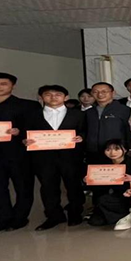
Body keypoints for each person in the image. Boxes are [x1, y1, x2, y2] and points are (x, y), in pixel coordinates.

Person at [0, 72, 40, 234]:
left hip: (20, 155)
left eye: (3, 84)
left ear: (13, 86)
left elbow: (37, 129)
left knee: (24, 188)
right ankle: (3, 219)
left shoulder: (29, 106)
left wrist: (20, 132)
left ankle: (20, 218)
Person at [23, 85, 86, 230]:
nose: (53, 97)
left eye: (58, 94)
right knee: (48, 187)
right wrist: (25, 140)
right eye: (48, 94)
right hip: (43, 157)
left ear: (66, 97)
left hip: (71, 156)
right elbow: (25, 133)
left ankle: (75, 213)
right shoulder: (32, 115)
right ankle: (53, 216)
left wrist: (81, 137)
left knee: (74, 185)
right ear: (41, 97)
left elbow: (85, 131)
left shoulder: (78, 114)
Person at [87, 139, 131, 230]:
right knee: (95, 221)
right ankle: (129, 215)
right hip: (116, 198)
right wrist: (90, 181)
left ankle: (129, 213)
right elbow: (99, 189)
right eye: (108, 150)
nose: (112, 152)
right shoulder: (103, 167)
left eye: (117, 149)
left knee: (103, 201)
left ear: (125, 150)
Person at [85, 82, 131, 164]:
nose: (100, 94)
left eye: (104, 91)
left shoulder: (124, 110)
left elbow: (130, 130)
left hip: (116, 152)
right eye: (95, 92)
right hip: (93, 152)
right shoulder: (89, 112)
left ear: (113, 93)